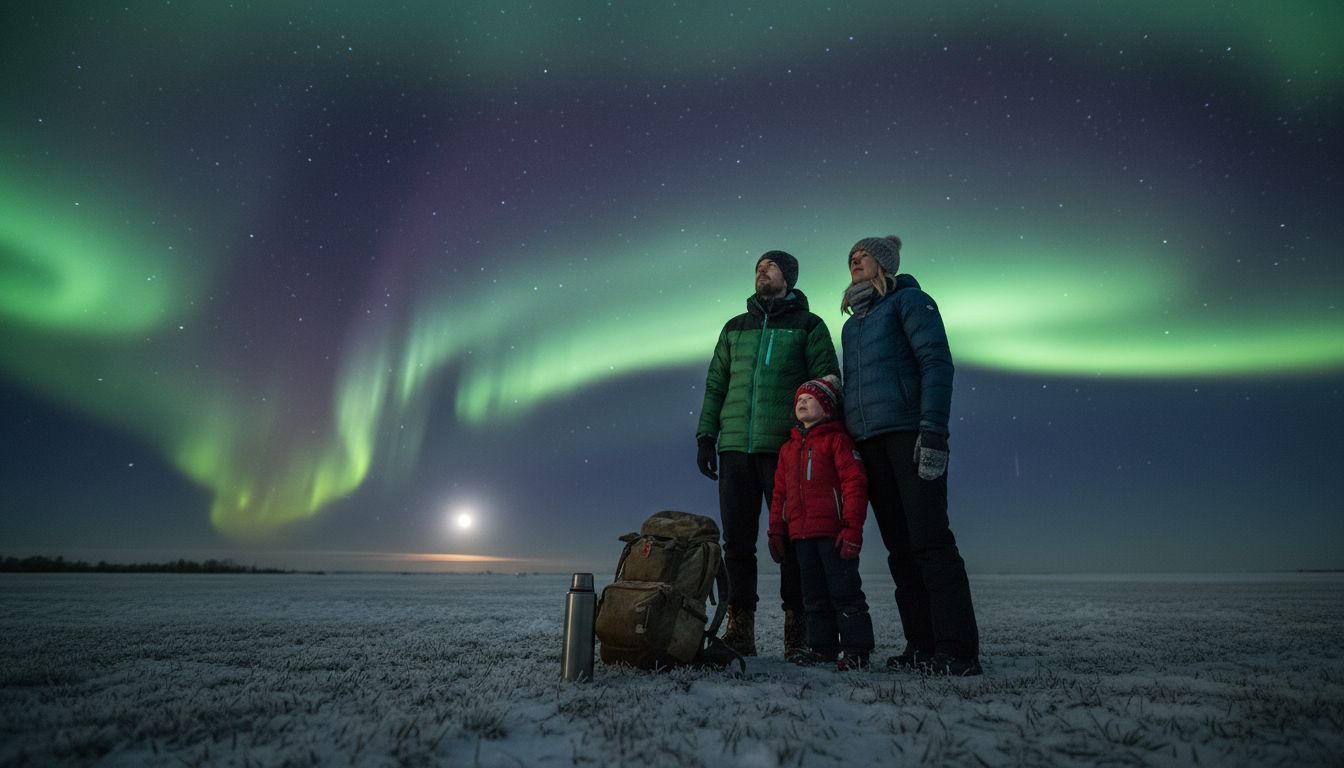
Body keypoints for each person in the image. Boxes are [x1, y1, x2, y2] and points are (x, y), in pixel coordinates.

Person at [839, 235, 982, 676]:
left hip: (909, 435)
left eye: (863, 255)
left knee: (929, 541)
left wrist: (933, 431)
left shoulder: (911, 301)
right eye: (850, 257)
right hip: (870, 442)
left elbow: (936, 362)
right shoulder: (852, 325)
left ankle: (957, 651)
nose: (855, 260)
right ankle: (920, 645)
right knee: (900, 550)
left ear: (884, 263)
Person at [696, 250, 840, 657]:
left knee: (795, 541)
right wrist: (707, 435)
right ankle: (741, 631)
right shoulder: (734, 328)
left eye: (772, 266)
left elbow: (827, 383)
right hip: (734, 450)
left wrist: (817, 439)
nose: (762, 270)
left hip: (786, 451)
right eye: (759, 266)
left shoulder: (809, 326)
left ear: (789, 278)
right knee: (737, 544)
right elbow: (716, 384)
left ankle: (801, 631)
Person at [767, 375, 874, 670]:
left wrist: (852, 527)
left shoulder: (837, 441)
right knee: (812, 596)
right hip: (801, 536)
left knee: (845, 592)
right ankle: (823, 648)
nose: (802, 402)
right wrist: (777, 529)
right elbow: (779, 494)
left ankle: (857, 651)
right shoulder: (788, 449)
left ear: (826, 407)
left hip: (833, 533)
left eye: (809, 398)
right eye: (799, 399)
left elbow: (854, 483)